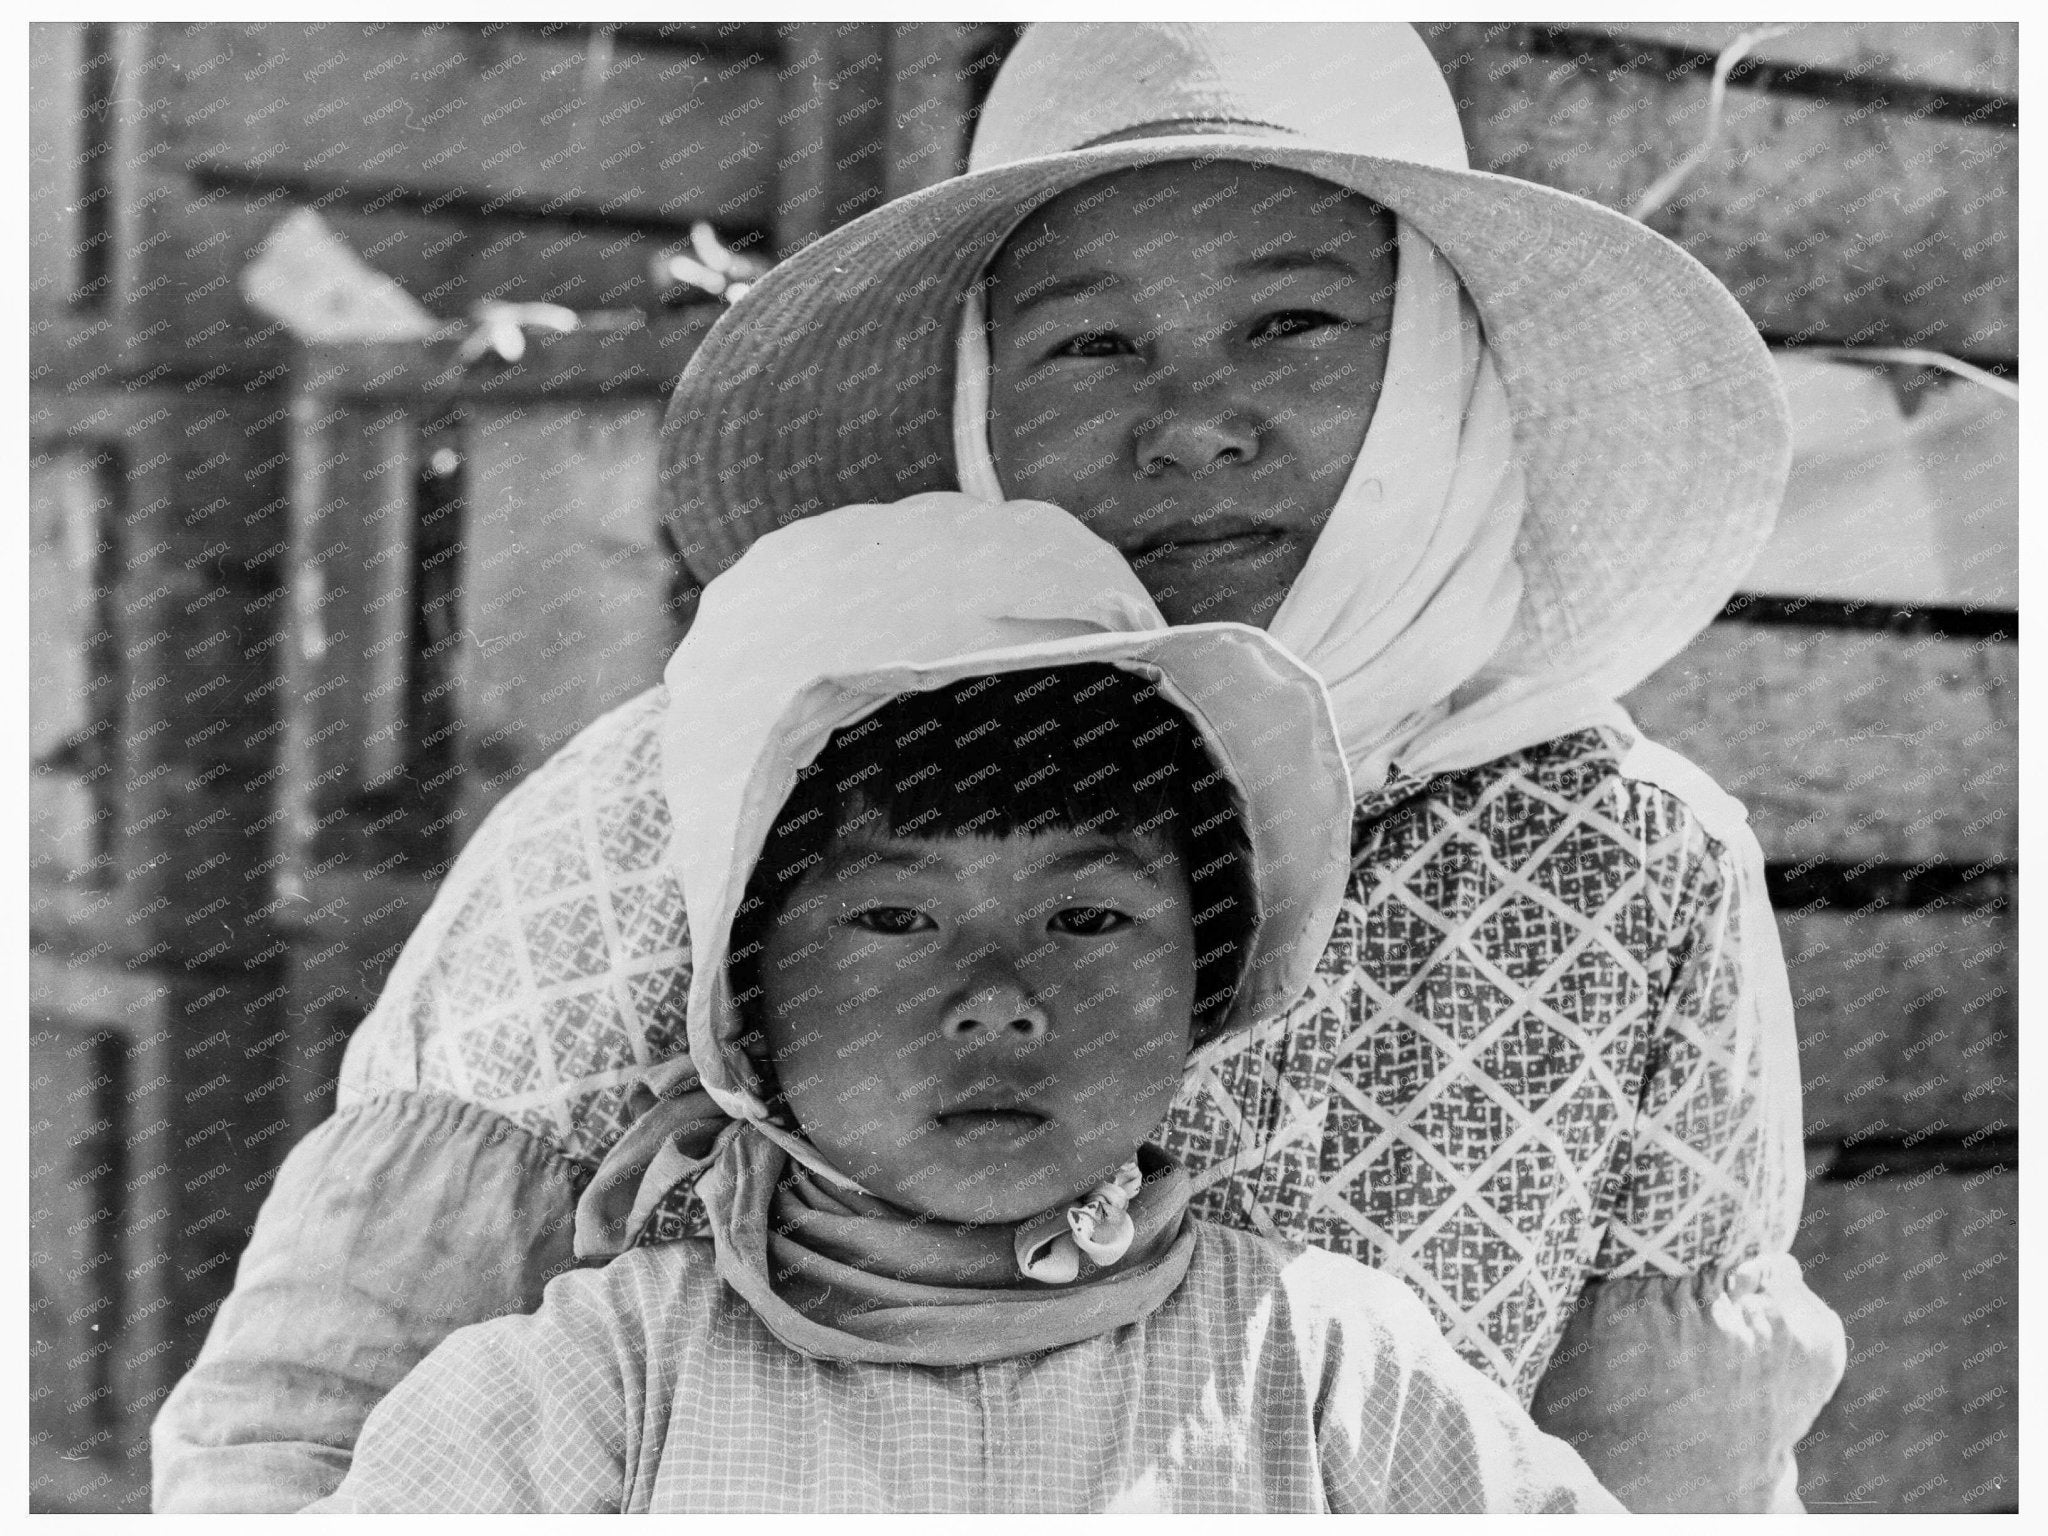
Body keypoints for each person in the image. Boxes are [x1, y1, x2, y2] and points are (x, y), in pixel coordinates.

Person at [155, 22, 1843, 1513]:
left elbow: (1670, 1477)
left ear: (1447, 372)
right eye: (1088, 346)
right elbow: (302, 1432)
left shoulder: (1623, 859)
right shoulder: (691, 793)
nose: (1194, 423)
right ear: (979, 397)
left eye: (1296, 327)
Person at [303, 496, 1621, 1513]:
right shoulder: (596, 1392)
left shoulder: (1325, 1369)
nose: (999, 1003)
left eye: (1088, 919)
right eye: (893, 920)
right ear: (744, 1004)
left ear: (1205, 983)